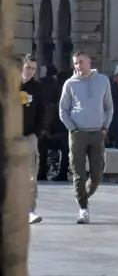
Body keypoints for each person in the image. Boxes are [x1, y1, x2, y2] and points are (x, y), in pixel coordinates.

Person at [58, 50, 114, 225]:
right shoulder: (70, 84)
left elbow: (109, 107)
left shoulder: (103, 81)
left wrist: (105, 128)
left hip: (97, 132)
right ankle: (83, 208)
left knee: (97, 173)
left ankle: (83, 195)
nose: (78, 66)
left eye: (81, 62)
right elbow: (63, 110)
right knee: (78, 173)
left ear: (89, 62)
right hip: (78, 133)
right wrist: (72, 129)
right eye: (75, 63)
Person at [21, 54, 45, 225]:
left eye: (33, 68)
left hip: (29, 136)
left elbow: (42, 112)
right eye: (28, 67)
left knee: (31, 175)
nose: (30, 71)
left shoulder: (37, 88)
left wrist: (36, 133)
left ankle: (30, 210)